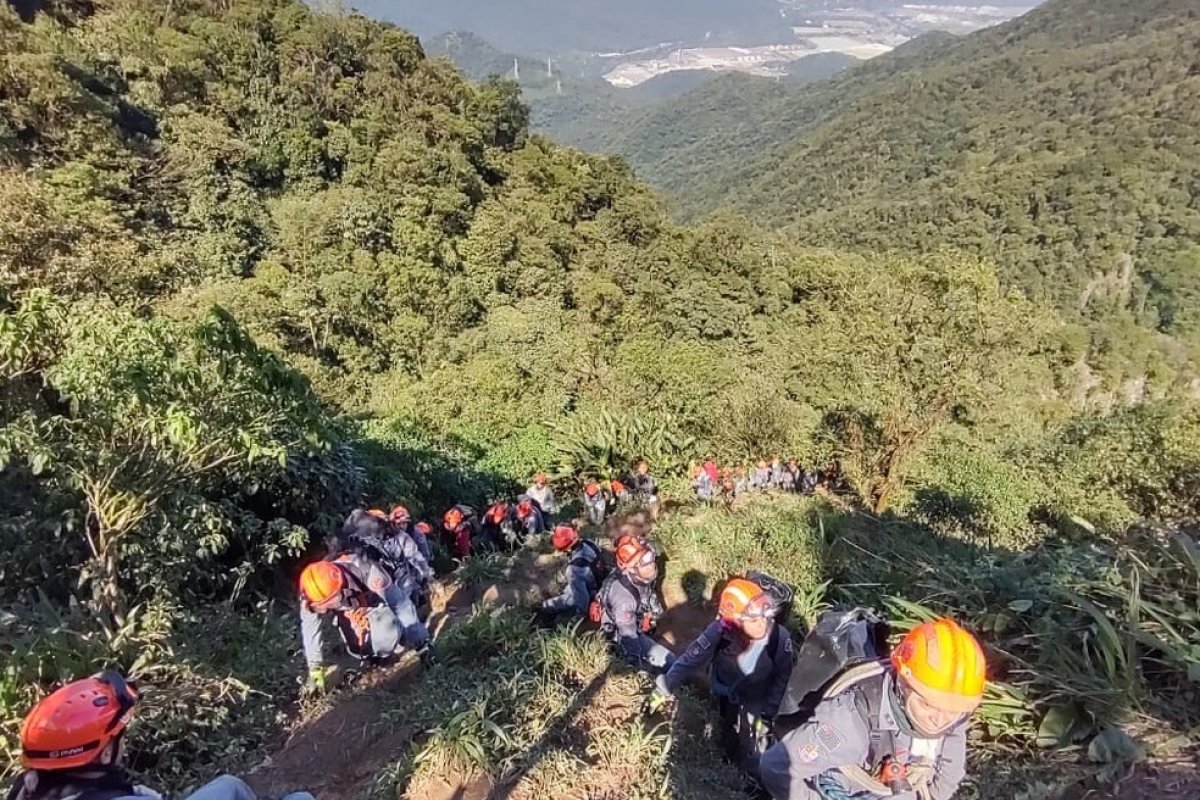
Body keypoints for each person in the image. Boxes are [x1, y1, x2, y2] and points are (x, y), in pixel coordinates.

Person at [759, 618, 986, 800]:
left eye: (953, 711)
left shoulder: (953, 703)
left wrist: (937, 793)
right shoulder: (846, 726)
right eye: (927, 705)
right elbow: (778, 767)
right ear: (903, 685)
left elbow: (952, 754)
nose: (940, 720)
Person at [12, 671, 313, 800]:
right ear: (103, 753)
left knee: (228, 787)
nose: (124, 742)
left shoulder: (27, 789)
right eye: (119, 736)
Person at [656, 577, 795, 769]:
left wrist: (768, 713)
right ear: (735, 621)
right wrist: (665, 684)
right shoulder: (719, 631)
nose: (762, 623)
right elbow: (691, 658)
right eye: (754, 619)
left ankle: (751, 775)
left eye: (764, 616)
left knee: (754, 746)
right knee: (726, 725)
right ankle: (726, 752)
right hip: (724, 689)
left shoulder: (779, 639)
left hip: (756, 700)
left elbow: (783, 678)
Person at [298, 554, 434, 686]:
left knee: (385, 638)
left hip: (375, 604)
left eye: (329, 603)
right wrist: (315, 668)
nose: (325, 609)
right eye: (321, 606)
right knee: (356, 649)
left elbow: (399, 604)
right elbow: (311, 630)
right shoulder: (311, 594)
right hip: (349, 612)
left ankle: (399, 640)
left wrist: (421, 643)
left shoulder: (370, 574)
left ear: (339, 587)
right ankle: (374, 658)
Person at [596, 535, 673, 674]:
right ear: (630, 568)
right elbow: (628, 638)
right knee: (672, 663)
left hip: (633, 613)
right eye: (643, 562)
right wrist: (639, 666)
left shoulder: (636, 575)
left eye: (650, 558)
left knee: (656, 615)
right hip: (621, 632)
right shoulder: (624, 599)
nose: (651, 565)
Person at [540, 523, 603, 620]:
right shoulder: (589, 543)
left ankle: (546, 609)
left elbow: (582, 599)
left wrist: (579, 617)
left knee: (551, 606)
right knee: (567, 589)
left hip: (593, 591)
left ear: (567, 549)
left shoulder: (573, 570)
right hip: (599, 578)